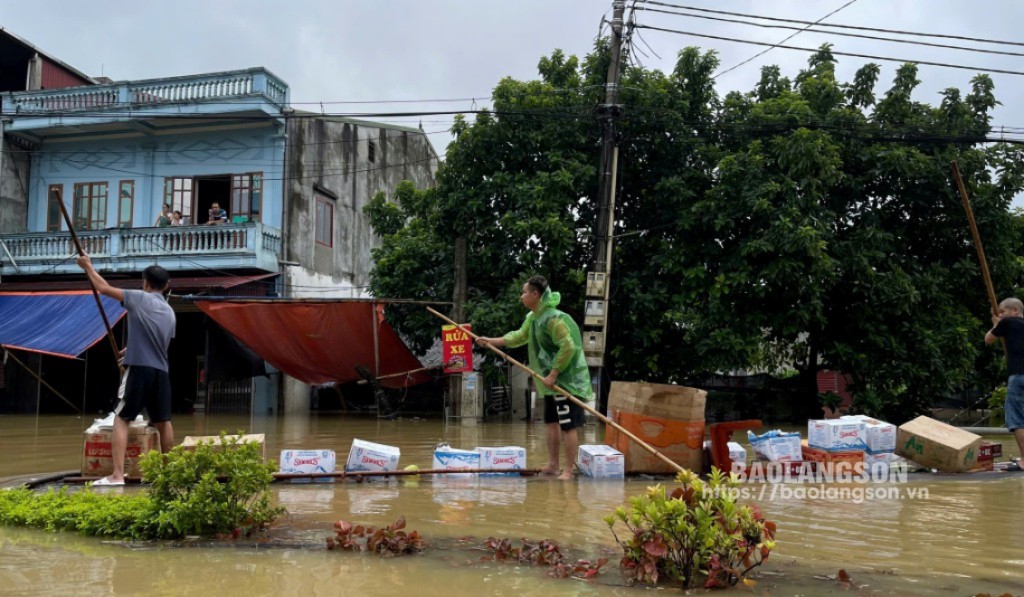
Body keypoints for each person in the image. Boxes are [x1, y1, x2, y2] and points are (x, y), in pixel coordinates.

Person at [477, 275, 593, 480]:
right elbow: (518, 336)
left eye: (523, 292)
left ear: (535, 294)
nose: (521, 296)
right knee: (551, 422)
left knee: (568, 425)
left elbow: (568, 346)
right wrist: (491, 342)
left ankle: (568, 469)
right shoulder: (533, 318)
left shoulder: (554, 318)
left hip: (566, 382)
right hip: (549, 382)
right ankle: (553, 465)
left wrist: (554, 373)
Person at [77, 253, 176, 486]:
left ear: (145, 283)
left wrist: (87, 267)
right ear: (166, 286)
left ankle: (117, 475)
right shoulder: (170, 312)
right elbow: (163, 344)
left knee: (121, 418)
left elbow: (103, 288)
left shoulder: (139, 297)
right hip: (161, 371)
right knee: (163, 422)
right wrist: (132, 347)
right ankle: (169, 473)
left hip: (140, 369)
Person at [985, 297, 1024, 471]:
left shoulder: (1007, 323)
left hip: (1019, 376)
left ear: (1015, 310)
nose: (1001, 315)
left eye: (1003, 312)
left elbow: (988, 340)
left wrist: (995, 323)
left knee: (1017, 419)